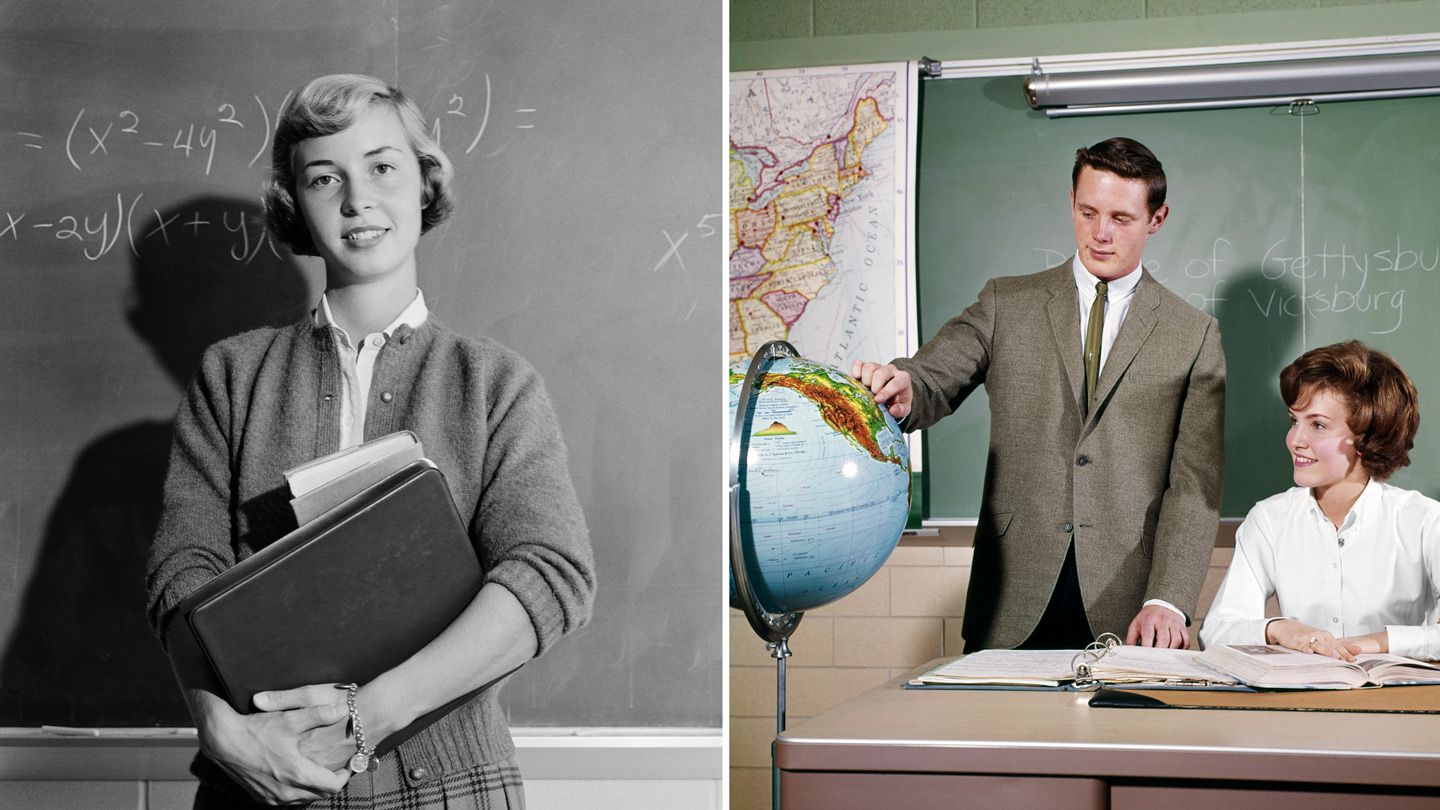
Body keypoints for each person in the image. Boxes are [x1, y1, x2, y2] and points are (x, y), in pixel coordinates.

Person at [146, 74, 596, 808]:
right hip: (258, 779)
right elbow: (181, 570)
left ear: (424, 183)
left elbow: (550, 573)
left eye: (383, 167)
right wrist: (216, 726)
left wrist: (369, 716)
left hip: (449, 786)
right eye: (325, 178)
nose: (358, 200)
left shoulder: (495, 383)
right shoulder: (232, 375)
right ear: (295, 204)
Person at [853, 137, 1225, 652]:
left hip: (1132, 605)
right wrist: (902, 386)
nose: (1099, 234)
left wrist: (1169, 597)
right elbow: (932, 376)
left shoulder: (1194, 334)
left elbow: (1195, 486)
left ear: (1156, 219)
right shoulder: (1007, 302)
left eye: (1120, 218)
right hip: (1011, 595)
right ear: (1071, 201)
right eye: (1088, 211)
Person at [1201, 341, 1438, 662]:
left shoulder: (1424, 521)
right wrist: (1280, 629)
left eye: (1318, 425)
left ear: (1367, 435)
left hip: (1397, 704)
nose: (1295, 440)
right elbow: (1218, 628)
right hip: (1298, 703)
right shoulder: (1270, 519)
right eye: (1293, 421)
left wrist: (1378, 642)